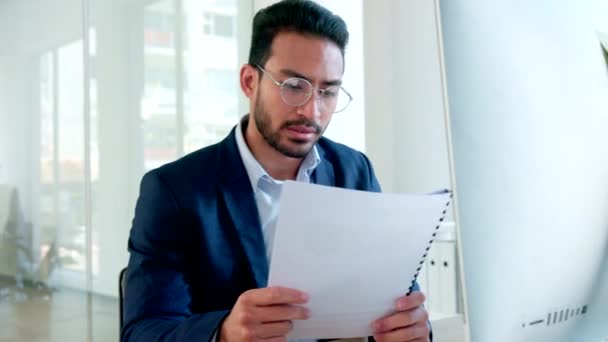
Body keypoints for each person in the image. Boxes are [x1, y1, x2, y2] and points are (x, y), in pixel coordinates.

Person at [122, 1, 431, 341]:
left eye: (328, 91)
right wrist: (222, 333)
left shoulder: (354, 171)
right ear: (249, 81)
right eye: (294, 86)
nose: (312, 110)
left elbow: (395, 297)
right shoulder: (174, 190)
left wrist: (413, 327)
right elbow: (143, 331)